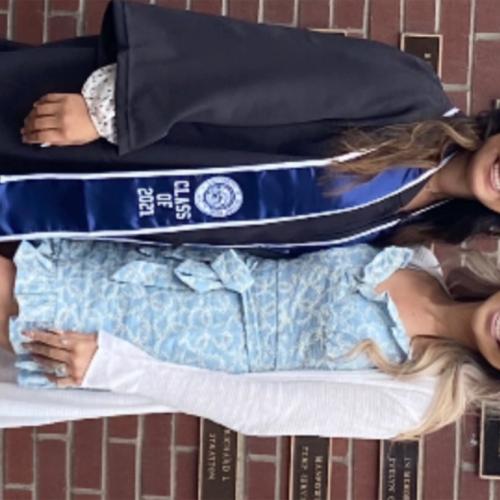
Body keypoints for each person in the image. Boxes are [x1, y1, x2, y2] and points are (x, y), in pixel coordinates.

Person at [1, 0, 499, 253]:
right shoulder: (412, 96)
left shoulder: (408, 229)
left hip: (91, 218)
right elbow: (260, 68)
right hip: (124, 134)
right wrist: (111, 107)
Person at [0, 237, 499, 440]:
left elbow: (265, 408)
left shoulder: (418, 398)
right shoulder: (418, 261)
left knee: (15, 293)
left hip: (157, 339)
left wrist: (119, 367)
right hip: (170, 269)